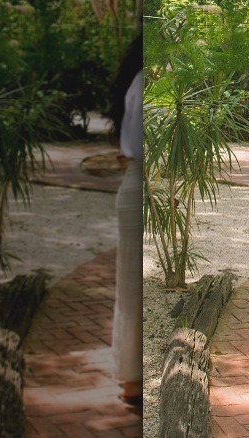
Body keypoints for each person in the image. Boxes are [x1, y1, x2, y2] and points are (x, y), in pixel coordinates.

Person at [108, 34, 143, 406]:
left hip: (133, 181)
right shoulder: (142, 83)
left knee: (131, 285)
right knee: (132, 285)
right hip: (137, 184)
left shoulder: (135, 83)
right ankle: (132, 378)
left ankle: (132, 378)